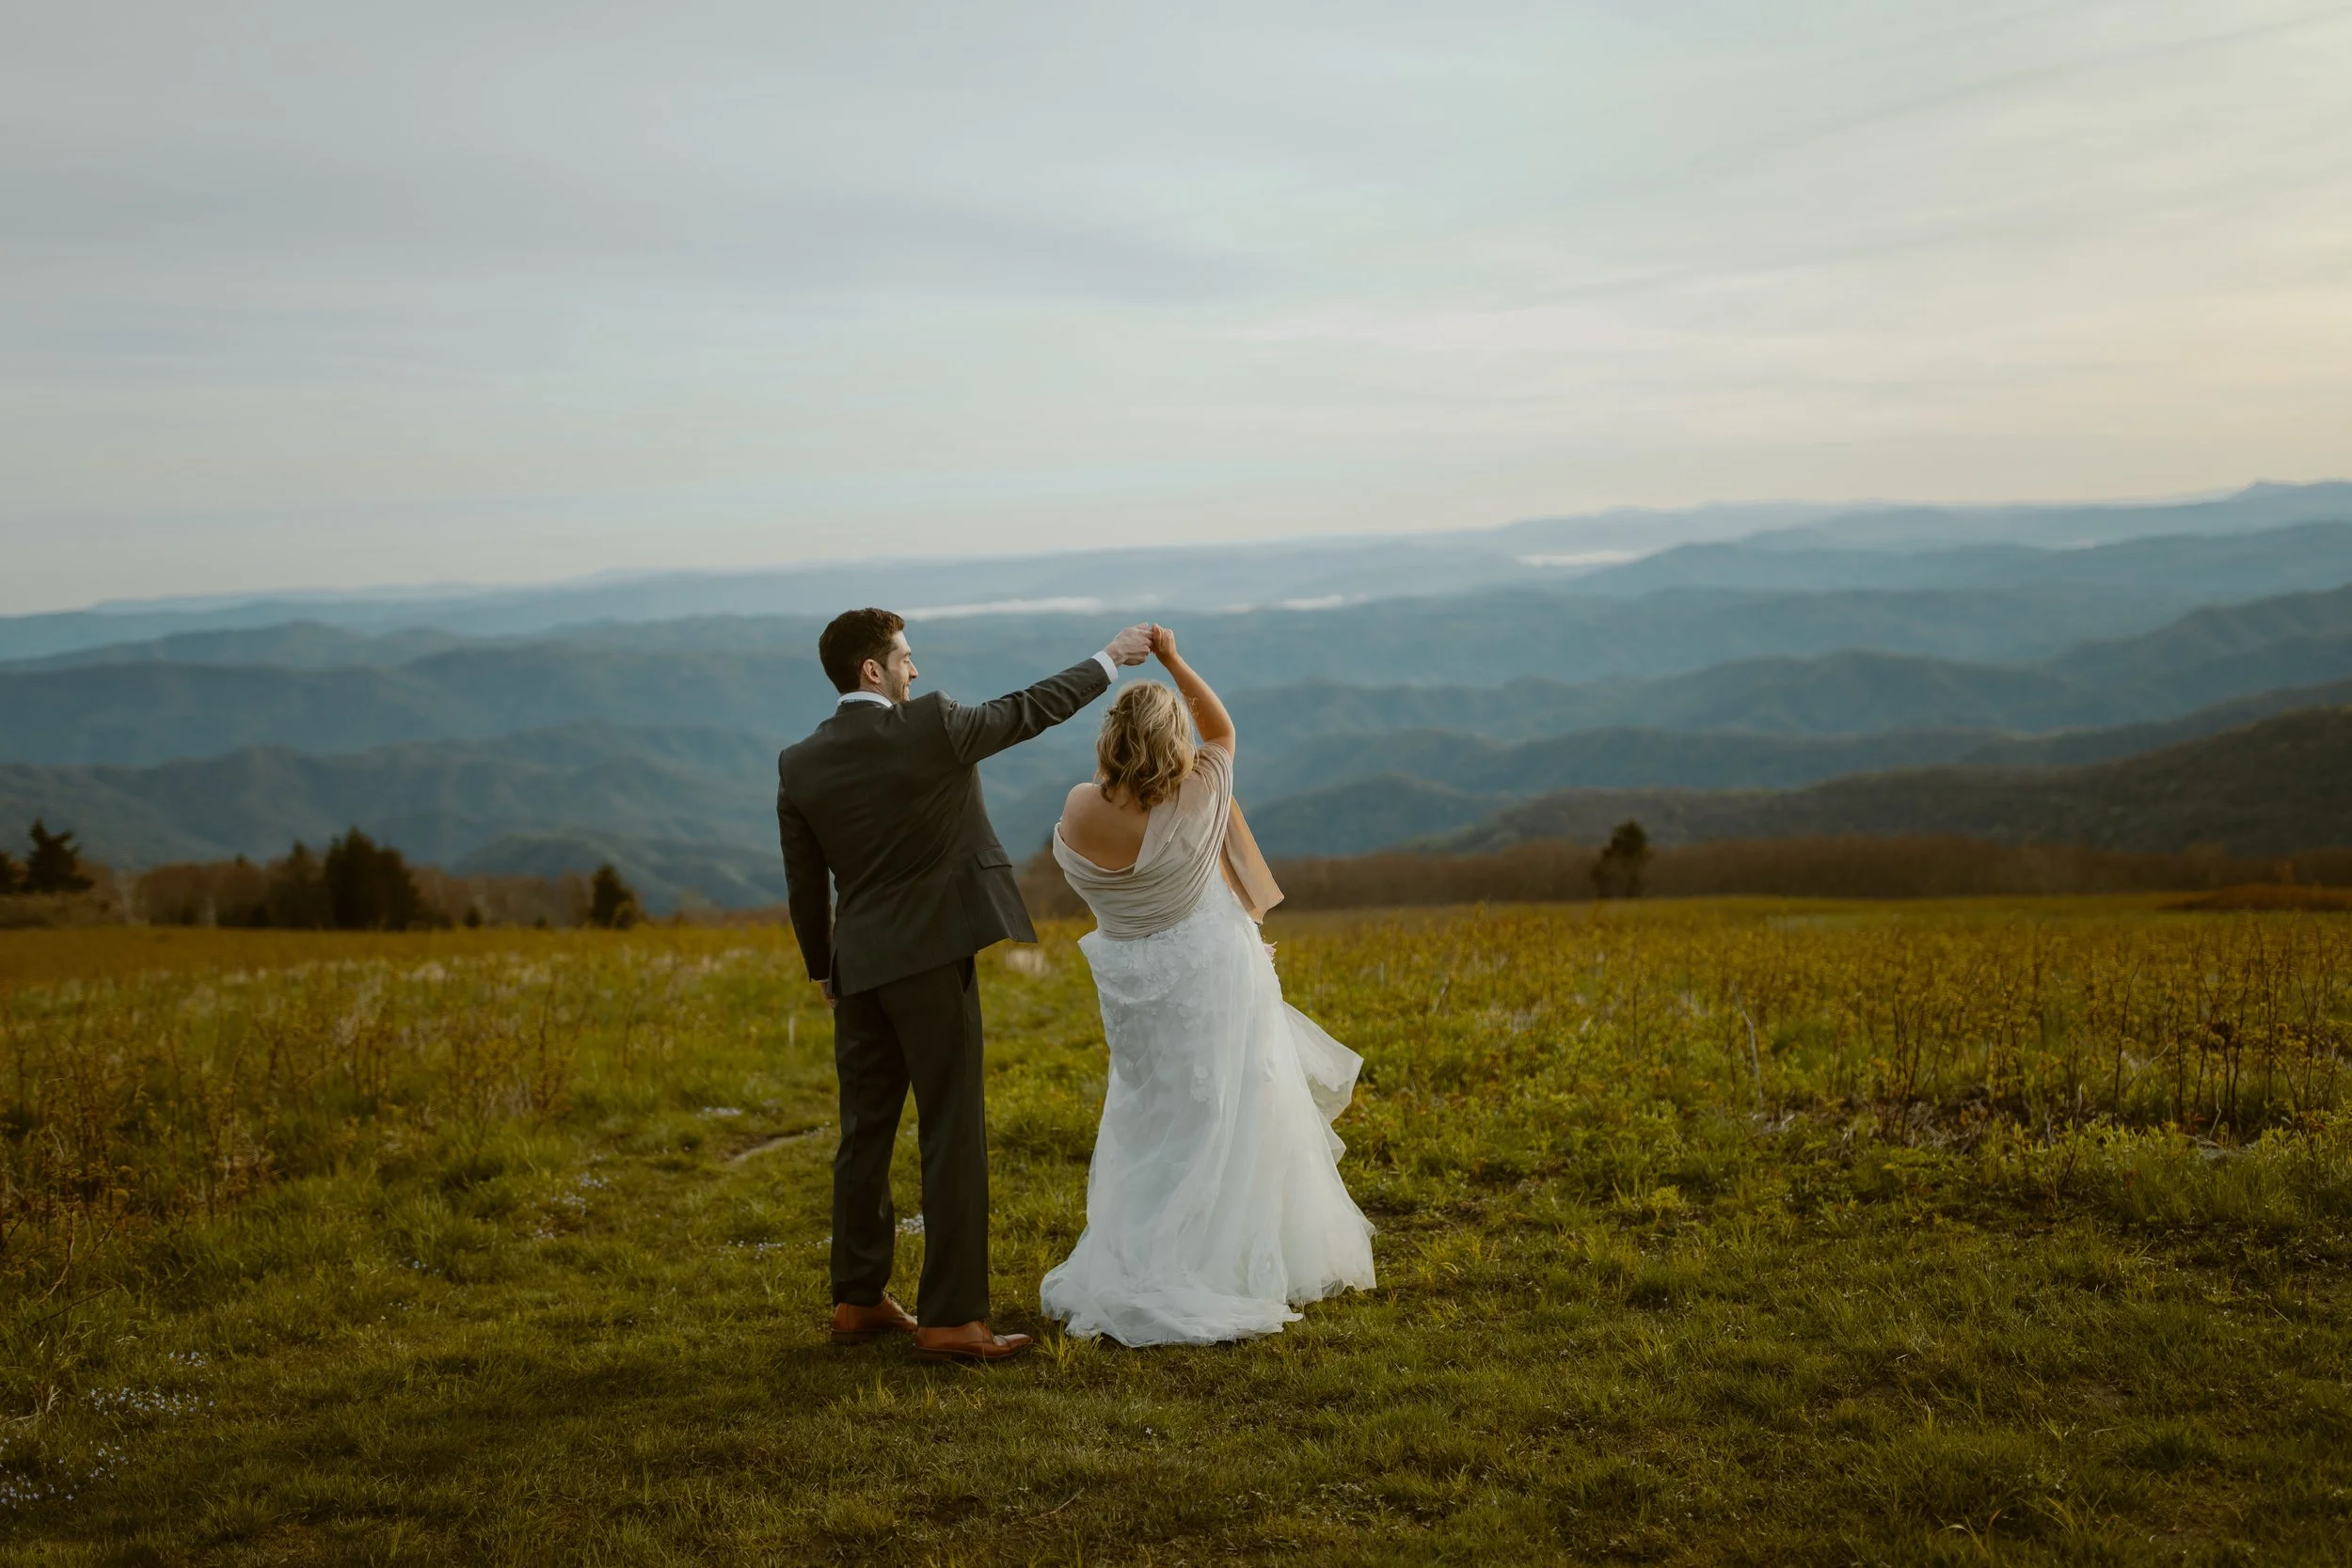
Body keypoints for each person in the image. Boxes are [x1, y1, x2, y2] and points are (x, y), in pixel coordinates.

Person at [777, 607, 1155, 1363]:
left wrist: (825, 968)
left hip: (859, 968)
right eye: (906, 658)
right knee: (952, 1127)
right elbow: (1030, 709)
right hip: (930, 958)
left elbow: (804, 882)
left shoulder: (800, 761)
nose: (916, 669)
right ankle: (952, 1319)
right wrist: (1111, 657)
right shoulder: (934, 726)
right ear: (872, 671)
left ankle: (857, 1300)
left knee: (865, 1133)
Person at [1043, 626, 1375, 1345]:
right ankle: (1223, 1255)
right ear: (1173, 742)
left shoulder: (1078, 809)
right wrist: (1170, 658)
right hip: (1211, 975)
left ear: (1110, 739)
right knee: (1229, 1113)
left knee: (1149, 1116)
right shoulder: (1199, 792)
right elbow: (1222, 727)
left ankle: (1143, 1253)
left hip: (1131, 985)